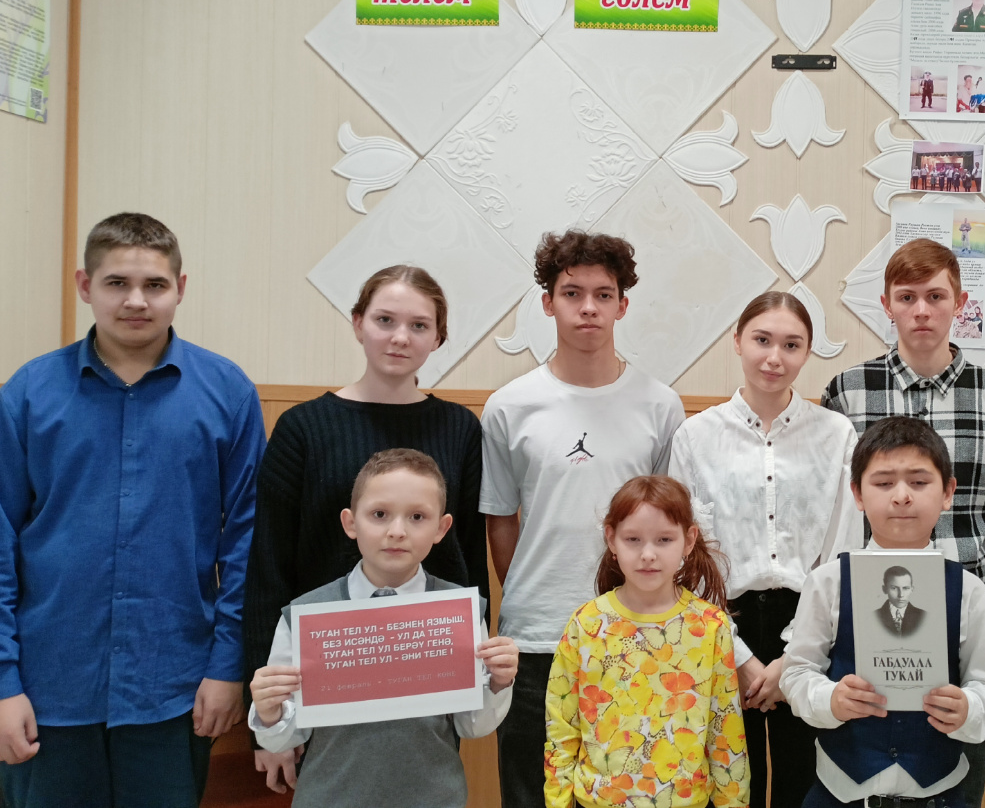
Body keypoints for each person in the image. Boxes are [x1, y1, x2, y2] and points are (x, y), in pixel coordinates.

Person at [0, 213, 266, 807]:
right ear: (85, 285)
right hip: (47, 683)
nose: (136, 300)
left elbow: (245, 544)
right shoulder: (29, 393)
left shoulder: (228, 394)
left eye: (154, 285)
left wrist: (227, 666)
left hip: (173, 684)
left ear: (180, 289)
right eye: (117, 283)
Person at [242, 264, 484, 792]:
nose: (400, 337)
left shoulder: (461, 428)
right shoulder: (303, 427)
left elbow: (465, 556)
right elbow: (268, 566)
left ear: (438, 337)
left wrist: (471, 671)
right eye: (385, 320)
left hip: (426, 683)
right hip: (322, 681)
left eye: (419, 325)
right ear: (357, 323)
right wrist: (266, 725)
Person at [481, 230, 685, 808]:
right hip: (534, 637)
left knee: (629, 791)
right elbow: (501, 518)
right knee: (531, 792)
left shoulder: (660, 405)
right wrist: (530, 590)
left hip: (635, 632)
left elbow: (670, 527)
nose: (588, 307)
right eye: (572, 293)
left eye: (603, 294)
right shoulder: (509, 405)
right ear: (548, 303)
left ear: (623, 304)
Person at [821, 239, 985, 807]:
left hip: (964, 606)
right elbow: (837, 502)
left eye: (936, 296)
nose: (922, 310)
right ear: (887, 304)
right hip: (865, 612)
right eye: (907, 297)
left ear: (960, 302)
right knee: (860, 763)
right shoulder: (847, 391)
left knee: (960, 759)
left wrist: (971, 577)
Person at [669, 292, 858, 808]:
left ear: (807, 353)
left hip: (811, 625)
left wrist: (794, 657)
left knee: (807, 786)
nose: (775, 357)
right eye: (762, 340)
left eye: (791, 345)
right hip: (720, 626)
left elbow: (843, 548)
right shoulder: (695, 436)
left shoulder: (836, 434)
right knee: (730, 788)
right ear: (737, 341)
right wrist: (743, 658)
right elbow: (684, 557)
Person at [249, 449, 517, 808]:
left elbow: (472, 726)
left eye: (417, 517)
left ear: (441, 528)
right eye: (379, 515)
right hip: (330, 798)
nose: (397, 531)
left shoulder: (458, 614)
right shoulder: (306, 616)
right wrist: (269, 712)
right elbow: (284, 738)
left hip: (433, 799)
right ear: (350, 523)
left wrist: (498, 683)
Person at [781, 416, 985, 808]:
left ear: (948, 492)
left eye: (919, 482)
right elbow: (796, 673)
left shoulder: (967, 589)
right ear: (857, 493)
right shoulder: (828, 581)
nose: (902, 496)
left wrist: (968, 709)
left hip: (938, 795)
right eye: (884, 483)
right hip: (839, 793)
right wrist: (831, 699)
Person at [544, 476, 746, 808]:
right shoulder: (586, 624)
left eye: (664, 539)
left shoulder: (711, 626)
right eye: (633, 539)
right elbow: (561, 729)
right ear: (611, 539)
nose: (648, 554)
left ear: (689, 540)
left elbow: (726, 730)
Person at [875, 566, 925, 637]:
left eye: (905, 588)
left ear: (912, 589)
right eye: (894, 588)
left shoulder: (923, 616)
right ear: (884, 589)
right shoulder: (874, 617)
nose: (901, 595)